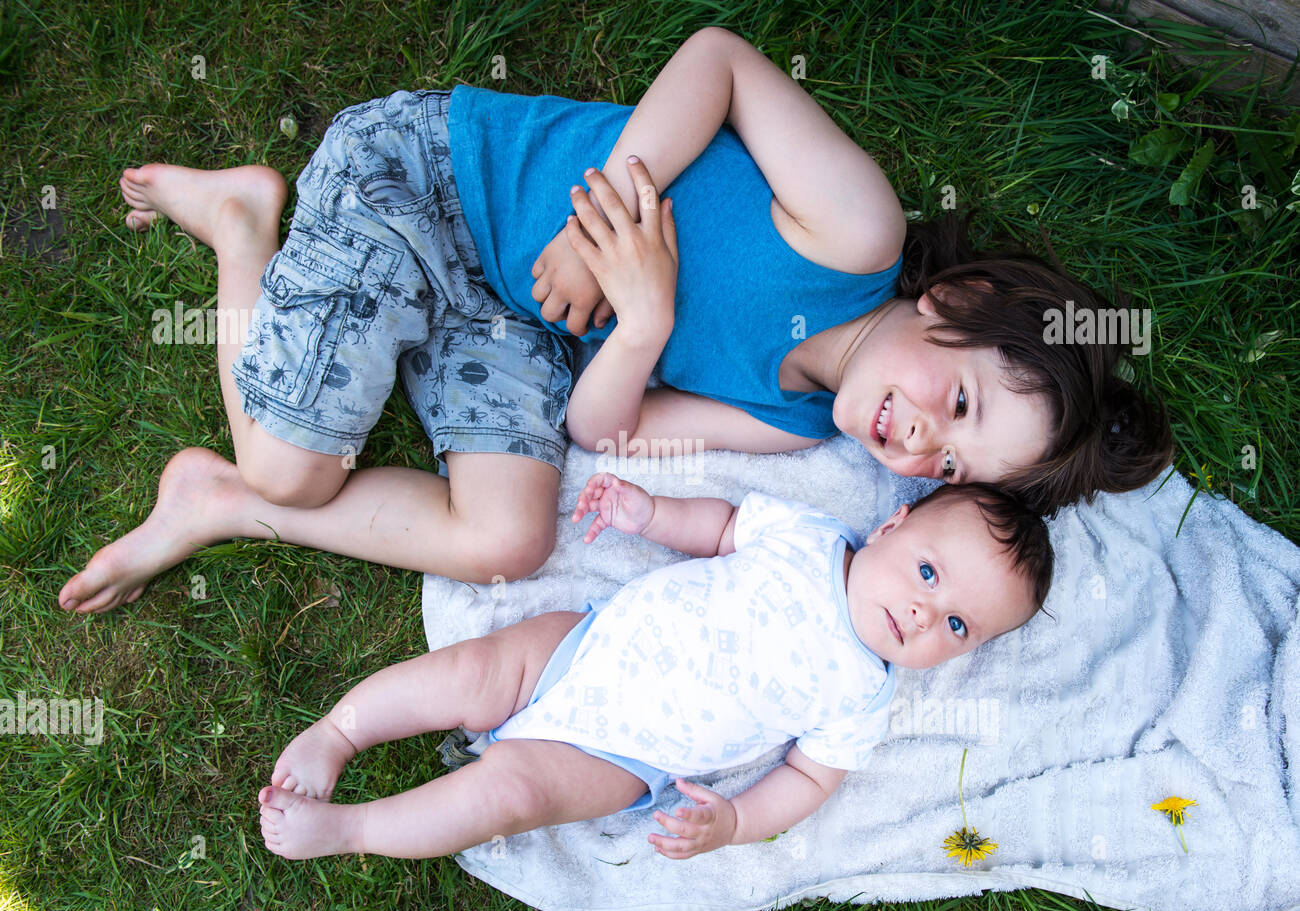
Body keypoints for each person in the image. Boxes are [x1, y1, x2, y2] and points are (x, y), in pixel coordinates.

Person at [58, 27, 1163, 616]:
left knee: (510, 540)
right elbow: (720, 60)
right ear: (955, 305)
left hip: (515, 329)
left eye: (950, 466)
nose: (920, 445)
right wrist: (599, 228)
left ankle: (216, 501)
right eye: (956, 402)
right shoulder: (857, 232)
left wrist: (638, 328)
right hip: (435, 184)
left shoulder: (799, 424)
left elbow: (606, 429)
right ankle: (245, 227)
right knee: (291, 465)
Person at [256, 470, 1053, 861]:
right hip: (583, 646)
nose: (924, 613)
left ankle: (354, 828)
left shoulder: (864, 696)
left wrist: (734, 822)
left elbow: (808, 782)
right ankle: (337, 734)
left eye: (956, 623)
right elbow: (721, 527)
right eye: (927, 572)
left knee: (509, 793)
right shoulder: (810, 537)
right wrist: (650, 514)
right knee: (472, 671)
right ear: (891, 524)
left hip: (625, 755)